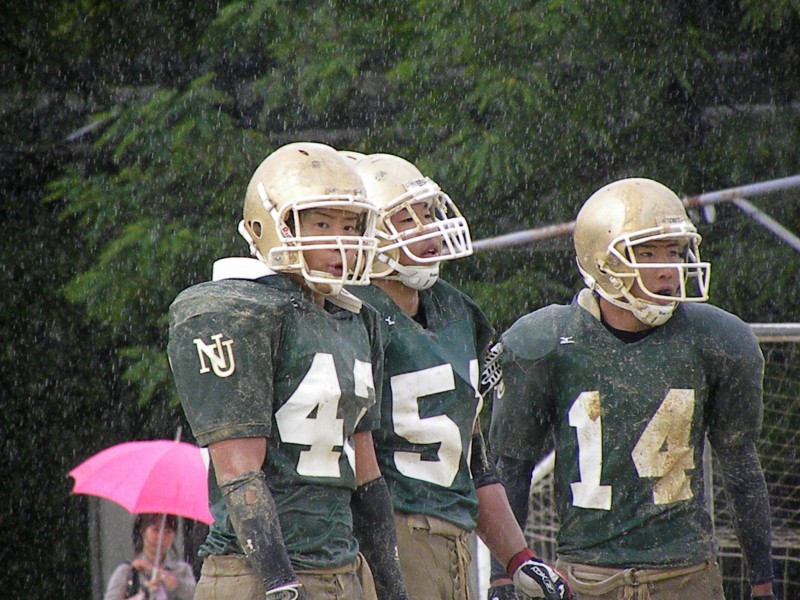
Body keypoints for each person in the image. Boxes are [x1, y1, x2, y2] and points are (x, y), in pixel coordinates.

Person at [488, 177, 775, 600]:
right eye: (648, 253)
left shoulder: (718, 340)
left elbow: (741, 468)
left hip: (686, 575)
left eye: (674, 251)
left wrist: (763, 583)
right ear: (602, 262)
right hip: (586, 577)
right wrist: (502, 576)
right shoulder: (545, 341)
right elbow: (512, 467)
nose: (668, 268)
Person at [167, 142, 408, 600]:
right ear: (270, 226)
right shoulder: (237, 310)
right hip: (252, 574)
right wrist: (280, 583)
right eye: (322, 224)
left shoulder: (356, 319)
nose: (340, 240)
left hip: (341, 569)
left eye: (349, 225)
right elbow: (239, 471)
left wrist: (392, 585)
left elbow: (366, 474)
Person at [348, 153, 571, 600]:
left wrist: (517, 557)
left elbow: (471, 457)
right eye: (406, 220)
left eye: (429, 214)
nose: (429, 229)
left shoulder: (456, 309)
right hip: (383, 535)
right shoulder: (350, 315)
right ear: (363, 234)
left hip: (455, 536)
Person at [104, 513, 196, 600]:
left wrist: (157, 573)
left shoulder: (182, 570)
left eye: (167, 531)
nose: (161, 537)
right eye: (155, 530)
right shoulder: (127, 572)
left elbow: (194, 594)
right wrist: (144, 595)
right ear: (143, 531)